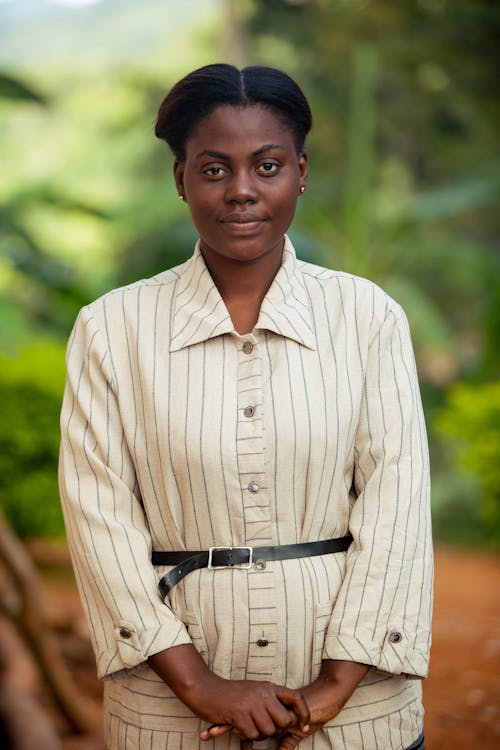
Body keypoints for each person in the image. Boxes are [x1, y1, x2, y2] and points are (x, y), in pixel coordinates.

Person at [58, 63, 433, 750]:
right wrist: (200, 685)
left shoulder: (368, 317)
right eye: (213, 169)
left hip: (359, 718)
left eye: (266, 165)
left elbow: (397, 508)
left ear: (301, 172)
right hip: (168, 715)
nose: (241, 191)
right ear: (180, 180)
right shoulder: (110, 330)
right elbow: (98, 521)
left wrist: (334, 687)